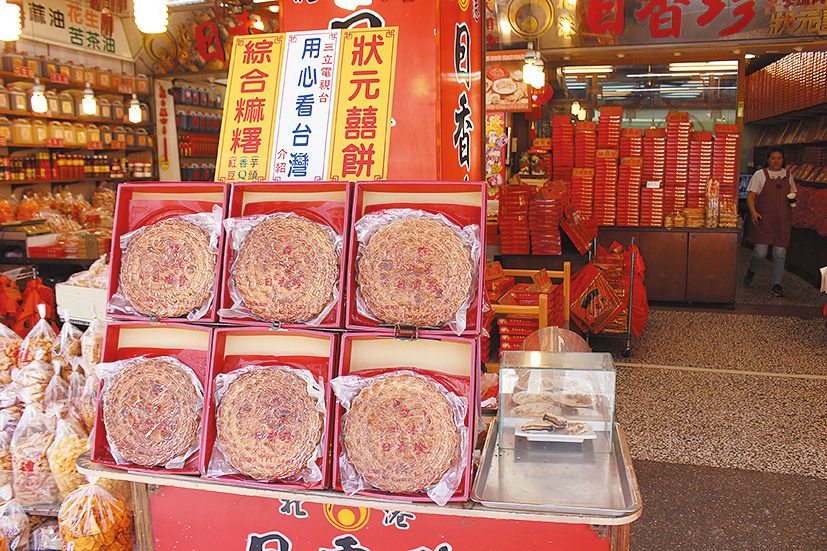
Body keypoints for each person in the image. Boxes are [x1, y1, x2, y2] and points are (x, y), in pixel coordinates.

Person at [744, 147, 796, 297]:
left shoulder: (788, 175)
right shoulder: (760, 175)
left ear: (783, 160)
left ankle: (776, 285)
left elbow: (793, 194)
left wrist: (793, 201)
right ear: (768, 159)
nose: (776, 161)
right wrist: (754, 212)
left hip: (782, 220)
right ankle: (752, 270)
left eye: (779, 158)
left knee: (780, 253)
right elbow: (751, 197)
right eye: (773, 158)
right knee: (760, 253)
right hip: (764, 219)